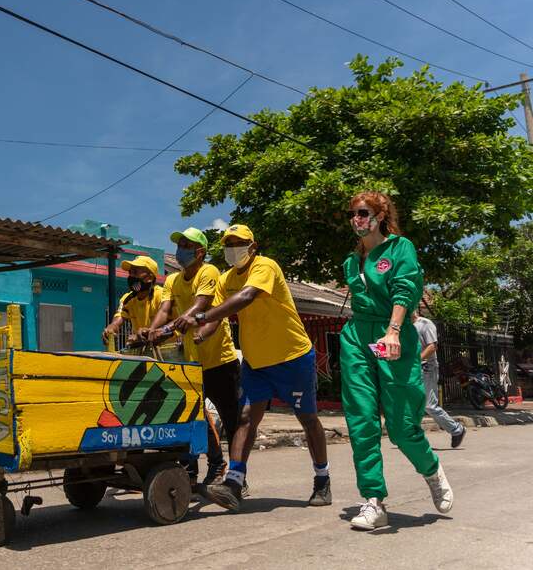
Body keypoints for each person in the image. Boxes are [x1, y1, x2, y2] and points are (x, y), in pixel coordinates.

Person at [191, 224, 332, 511]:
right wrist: (201, 331)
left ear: (252, 246)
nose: (233, 247)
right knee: (245, 418)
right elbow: (218, 316)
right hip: (257, 364)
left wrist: (202, 315)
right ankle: (233, 482)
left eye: (238, 242)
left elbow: (244, 298)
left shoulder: (265, 266)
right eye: (228, 243)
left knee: (308, 420)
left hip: (291, 358)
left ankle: (322, 479)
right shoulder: (225, 278)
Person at [340, 191, 453, 531]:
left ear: (379, 215)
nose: (356, 219)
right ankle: (374, 501)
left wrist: (392, 331)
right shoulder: (350, 261)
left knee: (403, 426)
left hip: (393, 335)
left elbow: (405, 287)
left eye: (362, 213)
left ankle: (432, 471)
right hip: (357, 337)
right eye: (352, 214)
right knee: (361, 421)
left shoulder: (399, 248)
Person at [145, 227, 242, 486]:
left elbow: (200, 305)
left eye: (187, 246)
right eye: (180, 245)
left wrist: (166, 329)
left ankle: (237, 477)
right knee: (192, 418)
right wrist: (152, 331)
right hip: (192, 364)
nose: (181, 251)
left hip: (220, 361)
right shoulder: (173, 280)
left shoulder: (208, 271)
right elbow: (165, 310)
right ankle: (208, 465)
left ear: (200, 252)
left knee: (232, 422)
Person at [413, 311, 466, 448]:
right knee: (411, 403)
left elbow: (432, 347)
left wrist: (416, 360)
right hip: (411, 369)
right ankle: (411, 436)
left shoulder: (425, 324)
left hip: (427, 368)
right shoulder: (403, 326)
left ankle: (457, 430)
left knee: (429, 405)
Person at [102, 255, 165, 348]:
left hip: (168, 352)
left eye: (135, 272)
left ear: (150, 277)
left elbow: (169, 323)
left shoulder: (161, 296)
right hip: (145, 352)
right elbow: (118, 320)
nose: (131, 277)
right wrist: (111, 328)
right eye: (130, 272)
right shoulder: (127, 299)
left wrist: (144, 333)